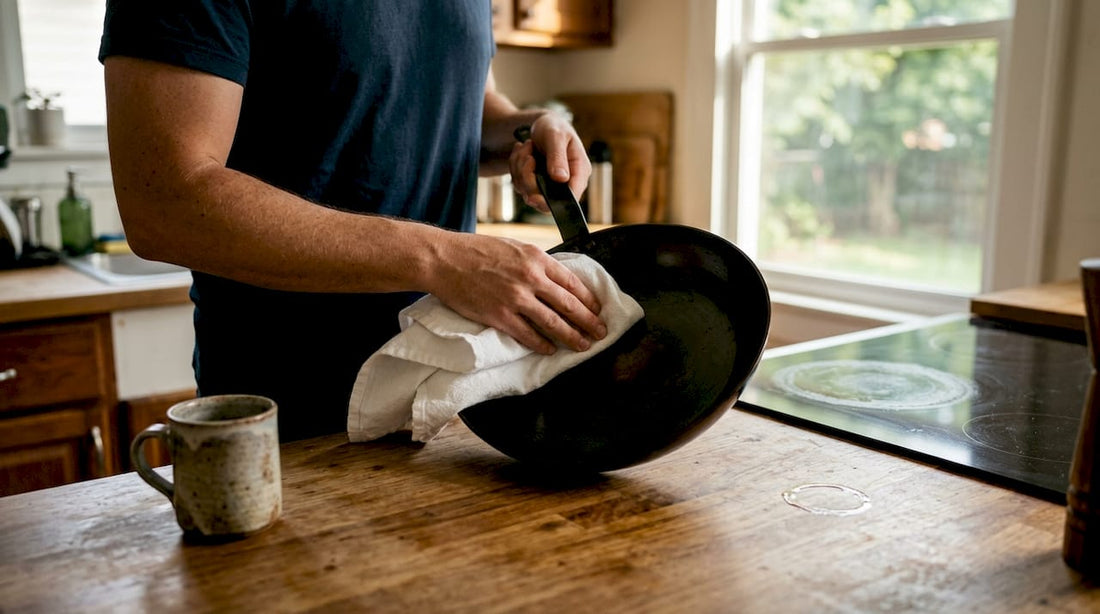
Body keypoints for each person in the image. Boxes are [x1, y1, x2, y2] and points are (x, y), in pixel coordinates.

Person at [98, 1, 607, 441]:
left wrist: (528, 129)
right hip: (287, 416)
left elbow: (465, 106)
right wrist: (442, 258)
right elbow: (163, 201)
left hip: (451, 404)